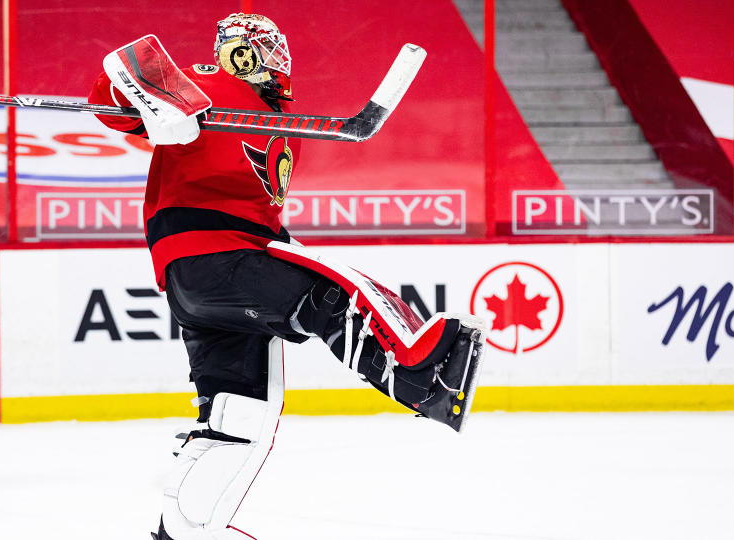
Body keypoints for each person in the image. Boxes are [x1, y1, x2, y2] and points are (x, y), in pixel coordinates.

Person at [89, 14, 486, 540]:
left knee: (240, 418)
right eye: (270, 49)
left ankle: (184, 531)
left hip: (213, 280)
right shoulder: (212, 82)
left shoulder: (279, 128)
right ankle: (419, 377)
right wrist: (160, 102)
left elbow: (262, 216)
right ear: (246, 54)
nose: (281, 61)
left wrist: (285, 248)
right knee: (328, 295)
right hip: (213, 259)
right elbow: (118, 84)